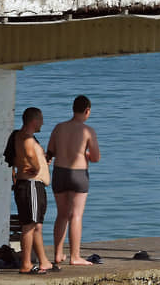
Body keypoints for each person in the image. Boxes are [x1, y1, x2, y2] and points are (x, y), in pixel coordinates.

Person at [47, 95, 100, 266]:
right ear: (87, 111)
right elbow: (96, 157)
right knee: (76, 215)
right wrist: (85, 154)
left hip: (60, 173)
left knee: (62, 215)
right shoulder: (88, 130)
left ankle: (58, 254)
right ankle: (75, 256)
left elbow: (51, 151)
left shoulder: (58, 127)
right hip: (78, 174)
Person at [9, 108, 53, 274]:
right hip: (31, 185)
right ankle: (26, 264)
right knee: (29, 225)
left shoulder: (18, 136)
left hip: (29, 185)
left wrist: (42, 159)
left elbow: (17, 157)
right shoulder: (27, 138)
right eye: (41, 119)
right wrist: (36, 166)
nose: (42, 123)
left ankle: (43, 261)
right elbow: (28, 152)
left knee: (36, 225)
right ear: (34, 121)